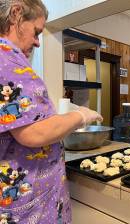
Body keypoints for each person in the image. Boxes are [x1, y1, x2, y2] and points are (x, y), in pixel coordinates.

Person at [0, 1, 102, 223]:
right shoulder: (7, 61)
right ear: (16, 13)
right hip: (27, 204)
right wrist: (81, 115)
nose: (38, 42)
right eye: (36, 32)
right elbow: (34, 133)